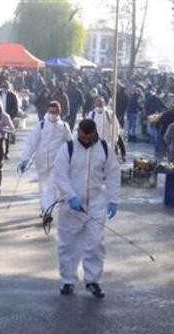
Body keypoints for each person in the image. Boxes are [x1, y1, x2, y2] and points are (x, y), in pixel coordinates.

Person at [53, 119, 120, 298]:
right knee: (68, 244)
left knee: (96, 243)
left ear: (94, 134)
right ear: (79, 132)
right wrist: (70, 196)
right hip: (71, 205)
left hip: (96, 204)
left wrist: (113, 199)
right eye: (82, 136)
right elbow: (59, 175)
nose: (85, 140)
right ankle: (68, 280)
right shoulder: (68, 148)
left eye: (89, 137)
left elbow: (113, 173)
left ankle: (93, 280)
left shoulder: (104, 148)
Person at [19, 101, 72, 221]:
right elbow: (31, 143)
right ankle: (44, 208)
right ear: (48, 112)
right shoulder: (41, 125)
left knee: (51, 187)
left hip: (56, 163)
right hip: (41, 162)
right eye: (51, 112)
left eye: (55, 112)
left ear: (59, 112)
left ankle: (48, 212)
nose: (53, 114)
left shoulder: (64, 126)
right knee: (43, 187)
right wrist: (25, 160)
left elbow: (70, 144)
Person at [86, 96, 124, 162]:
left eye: (101, 102)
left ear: (104, 103)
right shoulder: (91, 114)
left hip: (108, 143)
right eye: (98, 102)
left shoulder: (109, 113)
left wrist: (115, 140)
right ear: (95, 104)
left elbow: (116, 127)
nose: (100, 104)